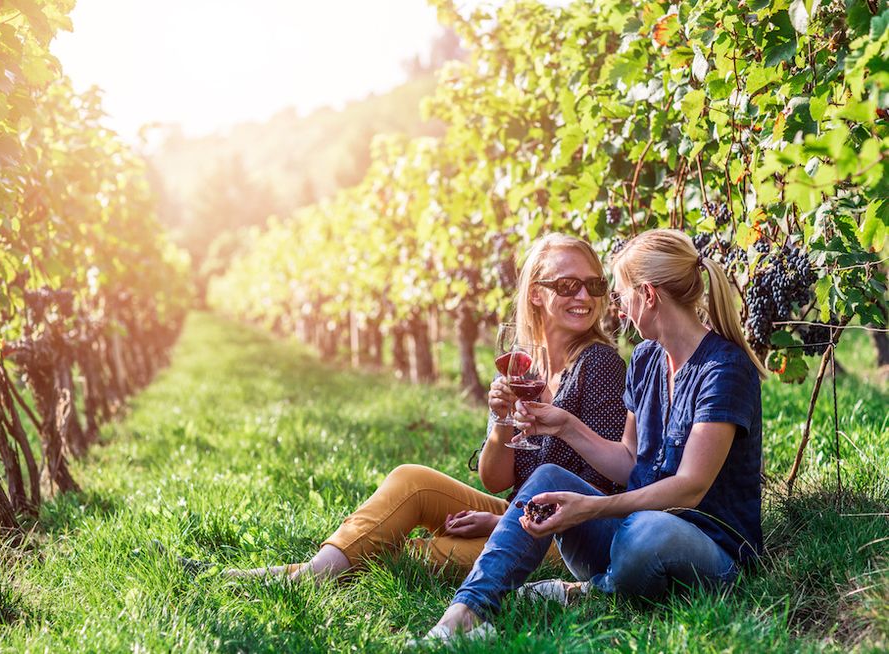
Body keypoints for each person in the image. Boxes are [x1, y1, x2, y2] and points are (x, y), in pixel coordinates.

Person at [172, 234, 628, 582]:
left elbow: (602, 488)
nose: (584, 297)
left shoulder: (600, 364)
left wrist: (499, 521)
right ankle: (313, 570)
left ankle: (296, 578)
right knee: (411, 479)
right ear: (536, 294)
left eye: (593, 285)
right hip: (521, 514)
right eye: (568, 285)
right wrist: (500, 425)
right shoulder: (529, 364)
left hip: (569, 538)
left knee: (423, 554)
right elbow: (497, 478)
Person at [416, 228, 766, 644]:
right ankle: (463, 616)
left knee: (645, 535)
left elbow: (690, 488)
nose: (616, 309)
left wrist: (591, 508)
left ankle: (585, 594)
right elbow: (630, 459)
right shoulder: (646, 359)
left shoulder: (724, 369)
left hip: (713, 555)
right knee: (547, 479)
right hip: (634, 533)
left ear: (648, 296)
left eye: (619, 295)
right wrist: (564, 424)